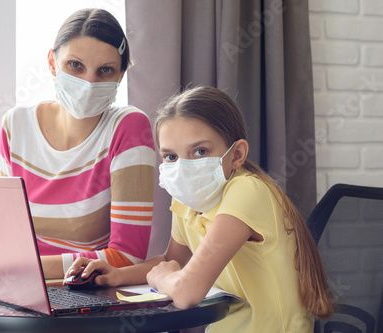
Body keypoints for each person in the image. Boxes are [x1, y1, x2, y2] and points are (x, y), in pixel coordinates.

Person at [66, 86, 334, 332]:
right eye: (171, 156)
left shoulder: (247, 191)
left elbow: (186, 291)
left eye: (200, 152)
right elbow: (174, 261)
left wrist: (164, 279)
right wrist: (118, 275)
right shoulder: (188, 201)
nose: (182, 167)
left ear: (237, 154)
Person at [0, 8, 156, 290]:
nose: (88, 82)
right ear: (52, 62)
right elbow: (7, 236)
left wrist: (9, 267)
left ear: (120, 76)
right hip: (16, 288)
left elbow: (126, 257)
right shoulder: (16, 125)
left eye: (105, 70)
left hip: (84, 298)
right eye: (75, 65)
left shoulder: (129, 127)